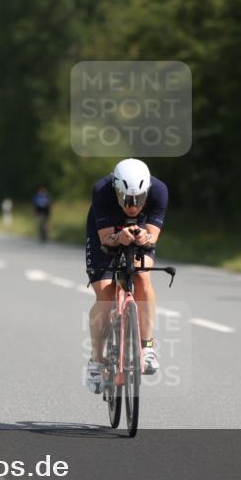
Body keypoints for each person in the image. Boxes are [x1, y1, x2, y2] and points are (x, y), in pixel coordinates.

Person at [83, 159, 168, 393]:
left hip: (139, 230)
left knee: (142, 278)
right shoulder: (102, 190)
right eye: (127, 200)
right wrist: (118, 238)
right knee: (106, 294)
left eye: (139, 200)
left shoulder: (159, 191)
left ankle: (147, 346)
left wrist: (145, 238)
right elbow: (105, 240)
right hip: (106, 231)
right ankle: (97, 361)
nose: (133, 206)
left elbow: (153, 236)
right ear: (117, 190)